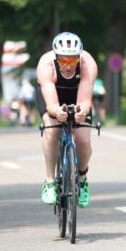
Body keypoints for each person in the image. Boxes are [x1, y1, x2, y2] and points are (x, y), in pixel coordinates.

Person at [36, 32, 98, 207]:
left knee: (83, 139)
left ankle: (83, 179)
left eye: (73, 60)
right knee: (52, 130)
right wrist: (57, 112)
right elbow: (51, 104)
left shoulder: (88, 64)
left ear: (79, 57)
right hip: (53, 95)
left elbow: (85, 101)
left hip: (77, 94)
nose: (69, 65)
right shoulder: (46, 65)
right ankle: (49, 181)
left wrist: (81, 112)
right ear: (56, 58)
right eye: (64, 60)